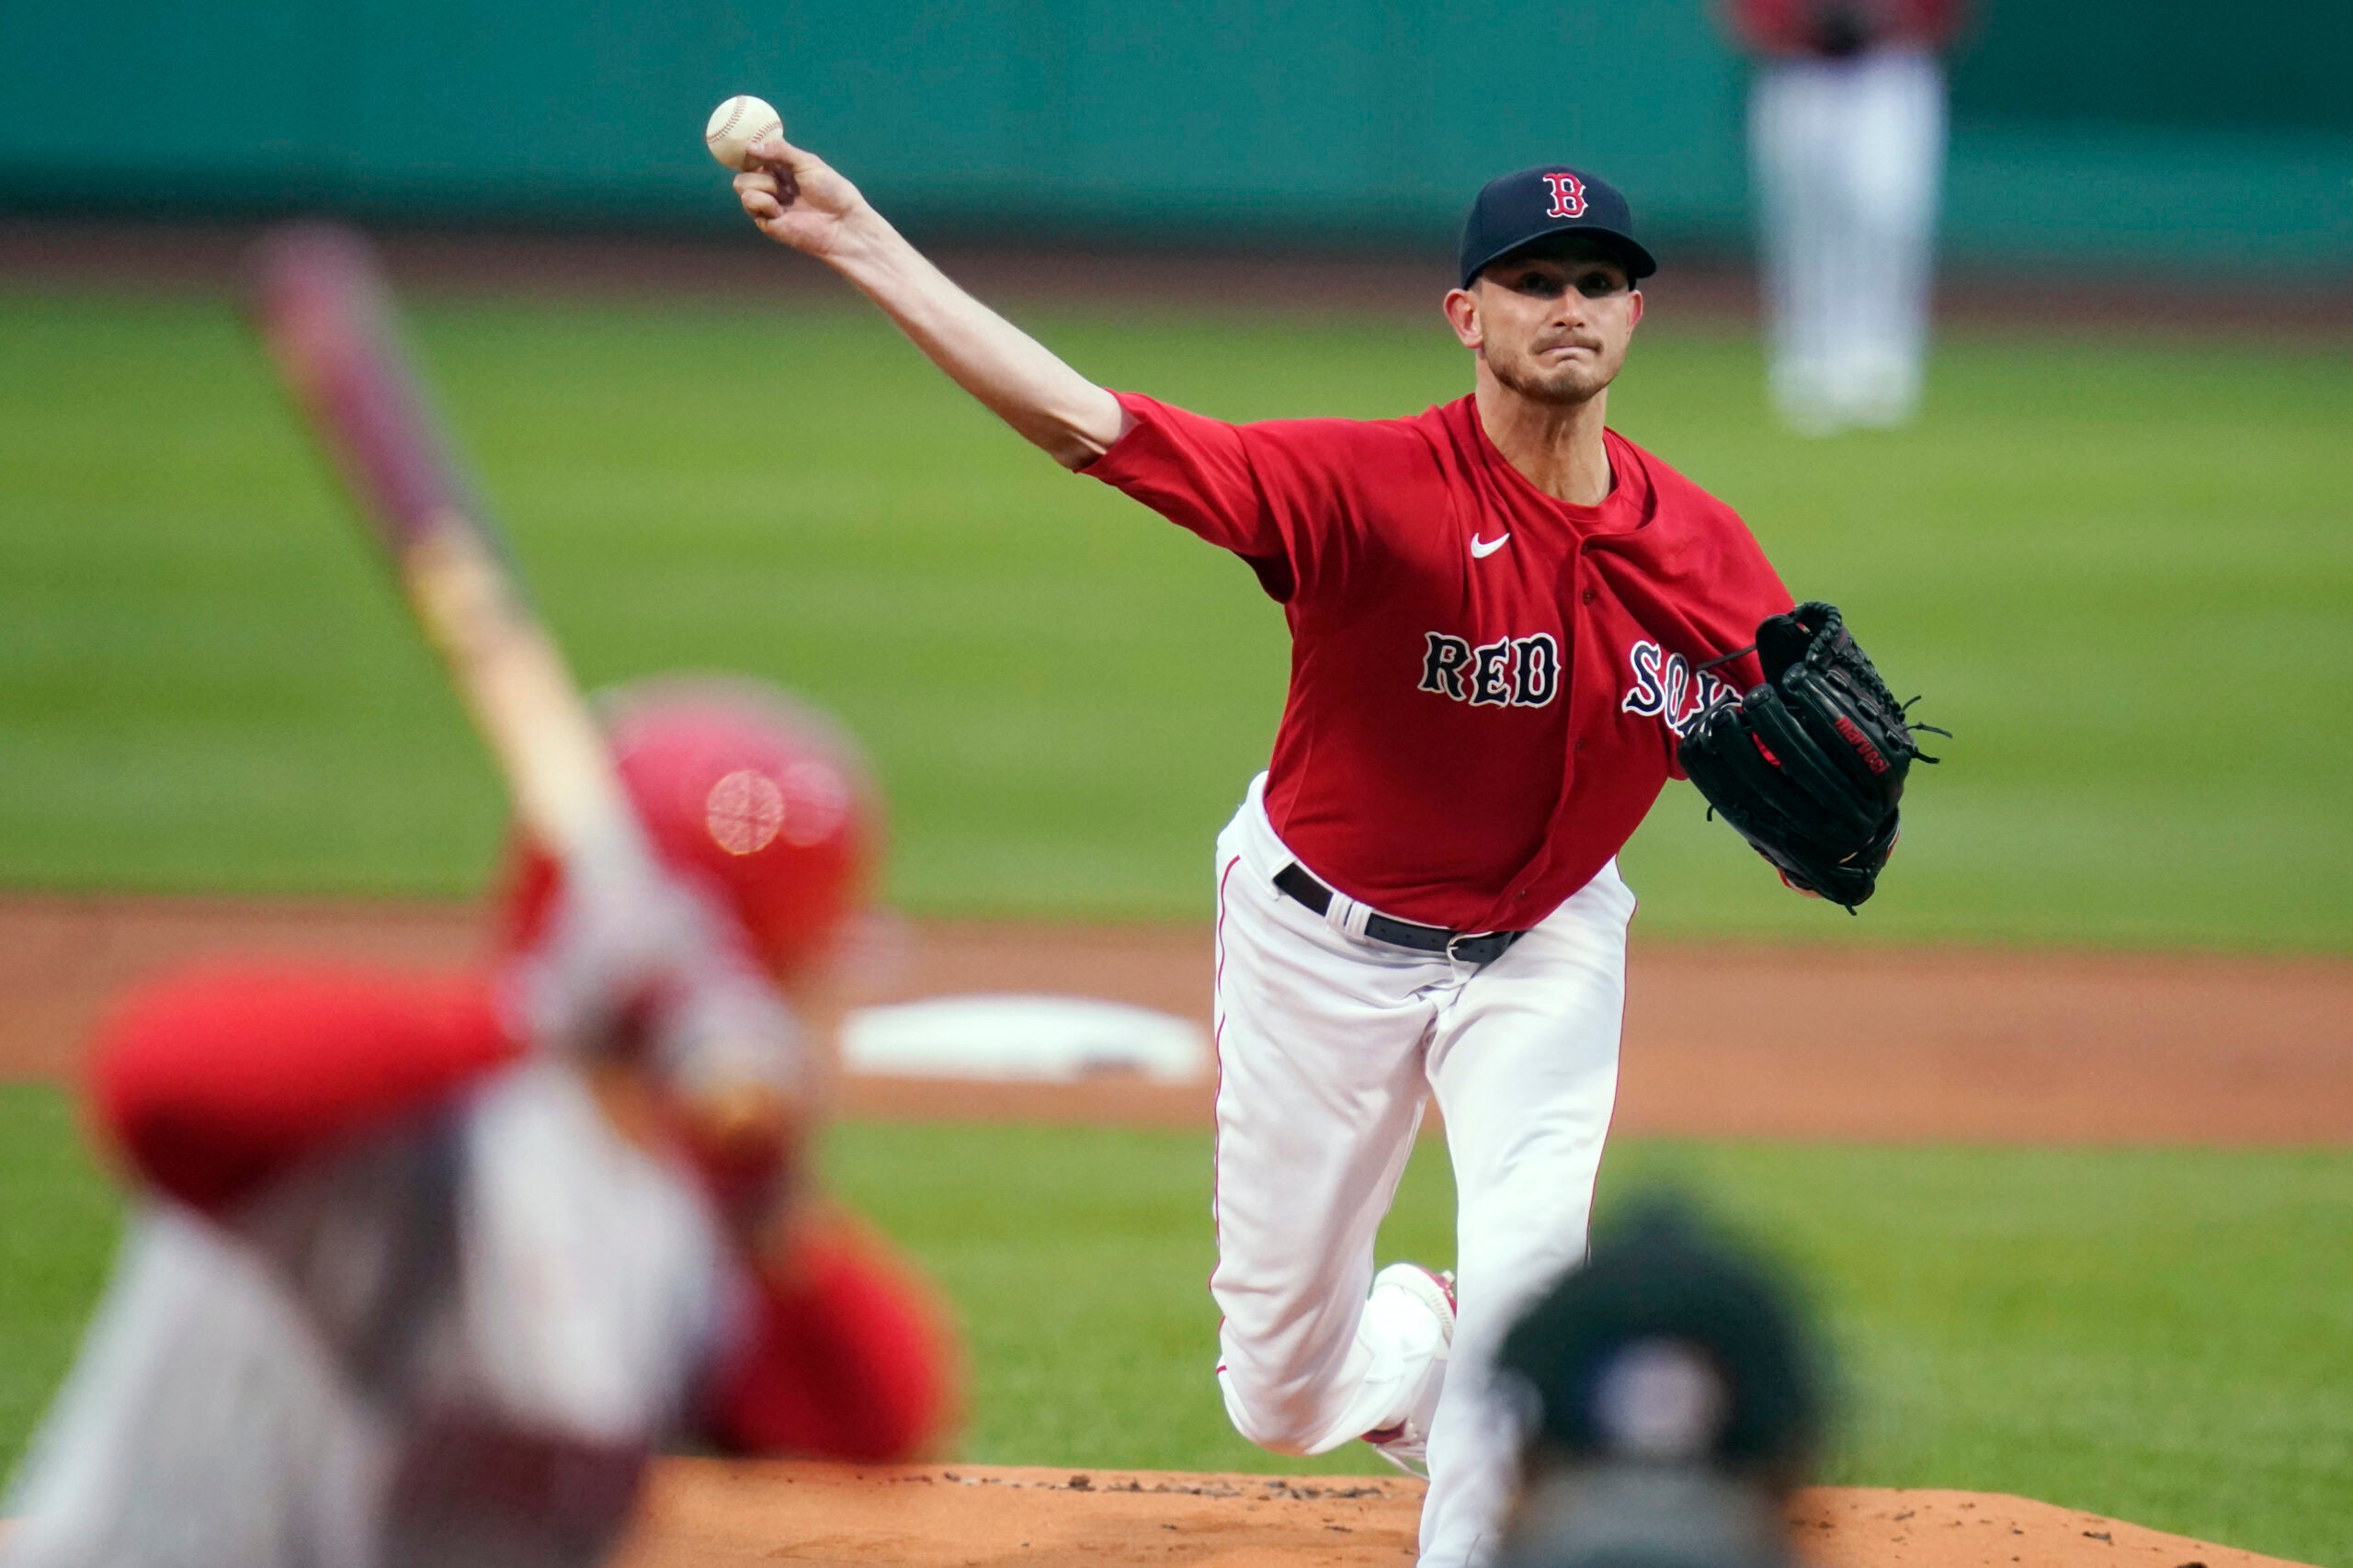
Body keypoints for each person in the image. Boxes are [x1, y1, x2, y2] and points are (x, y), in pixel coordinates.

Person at [729, 145, 1802, 1568]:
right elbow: (1090, 426)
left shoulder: (1707, 556)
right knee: (1283, 1389)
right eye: (1531, 280)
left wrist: (1817, 823)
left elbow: (1811, 782)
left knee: (1536, 1271)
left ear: (1634, 320)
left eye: (1598, 281)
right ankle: (1428, 1341)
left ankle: (1485, 1454)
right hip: (1320, 939)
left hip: (1548, 942)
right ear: (1464, 316)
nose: (1568, 303)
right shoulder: (1365, 489)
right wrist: (862, 241)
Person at [1, 678, 956, 1568]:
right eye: (805, 965)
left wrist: (762, 1191)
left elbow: (873, 1416)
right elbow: (156, 1080)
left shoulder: (684, 1222)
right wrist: (529, 1014)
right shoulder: (384, 1127)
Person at [1491, 1199, 1824, 1568]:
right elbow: (1788, 1451)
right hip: (1722, 1535)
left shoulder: (1567, 1309)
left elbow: (1524, 1438)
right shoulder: (1751, 1313)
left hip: (1574, 1533)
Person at [1726, 0, 1972, 434]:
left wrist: (1893, 18)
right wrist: (1790, 23)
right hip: (1800, 65)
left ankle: (1884, 363)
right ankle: (1807, 366)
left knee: (1887, 217)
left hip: (1890, 66)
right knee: (1804, 228)